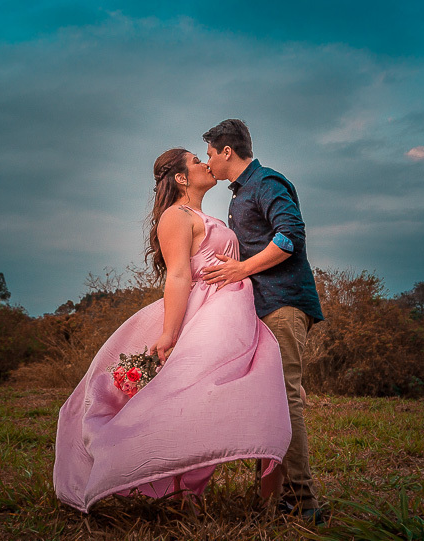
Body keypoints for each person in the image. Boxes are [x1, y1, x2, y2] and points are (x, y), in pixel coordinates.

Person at [53, 148, 291, 514]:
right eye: (197, 161)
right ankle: (173, 489)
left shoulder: (203, 215)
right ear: (181, 178)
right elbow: (179, 274)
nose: (204, 164)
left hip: (235, 312)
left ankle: (267, 502)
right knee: (187, 398)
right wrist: (169, 333)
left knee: (255, 392)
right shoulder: (175, 216)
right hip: (207, 314)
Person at [200, 119, 326, 523]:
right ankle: (273, 498)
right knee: (268, 401)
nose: (208, 162)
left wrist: (241, 270)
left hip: (285, 304)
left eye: (209, 154)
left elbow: (290, 236)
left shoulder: (268, 182)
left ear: (226, 152)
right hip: (263, 308)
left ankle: (303, 504)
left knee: (286, 400)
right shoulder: (240, 195)